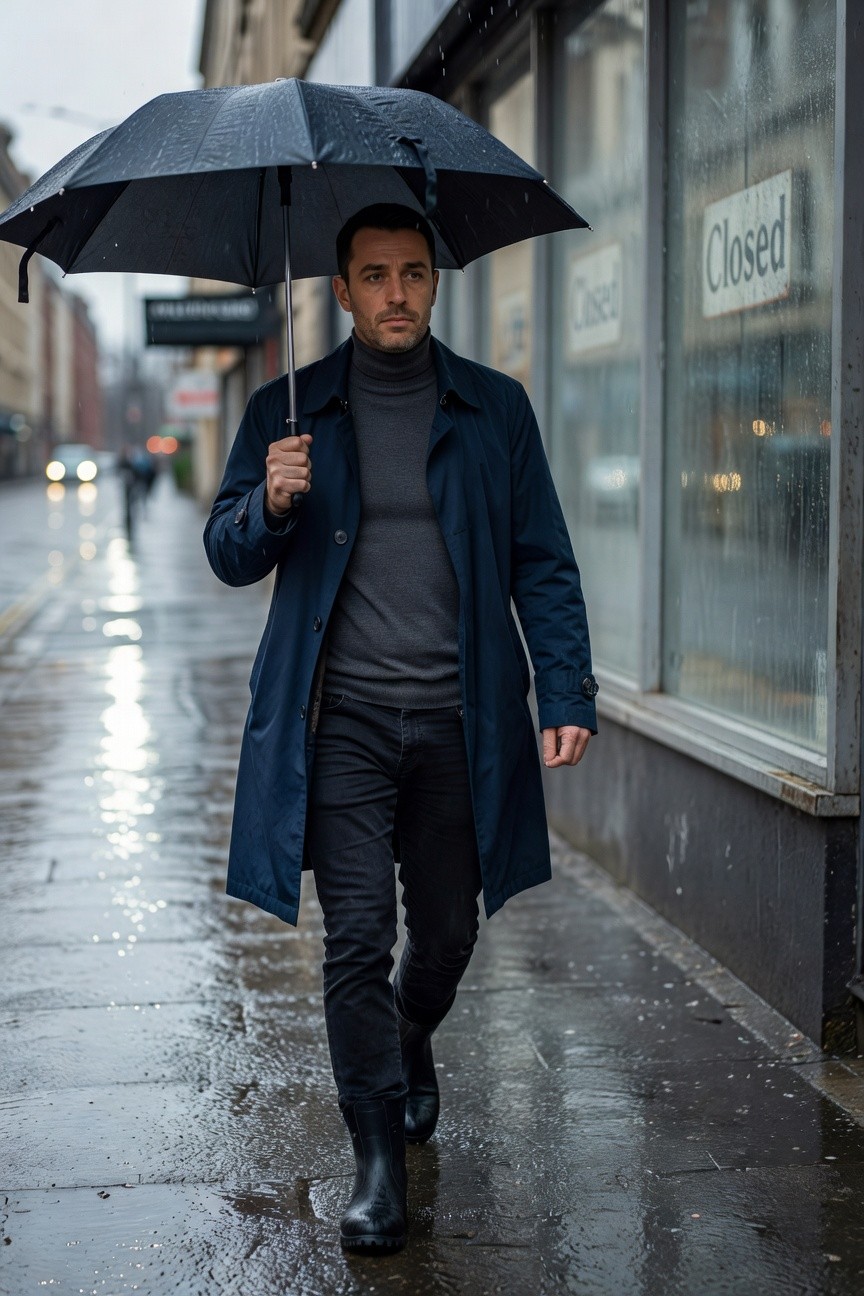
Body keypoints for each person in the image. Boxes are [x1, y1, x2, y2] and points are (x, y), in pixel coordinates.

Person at [204, 204, 597, 1254]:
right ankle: (377, 1162)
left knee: (451, 934)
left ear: (435, 283)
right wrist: (270, 508)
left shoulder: (493, 409)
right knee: (357, 941)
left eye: (412, 273)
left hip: (460, 724)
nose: (395, 293)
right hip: (341, 725)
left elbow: (544, 563)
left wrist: (565, 694)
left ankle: (409, 1033)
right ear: (340, 292)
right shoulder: (286, 412)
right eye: (373, 275)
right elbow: (227, 551)